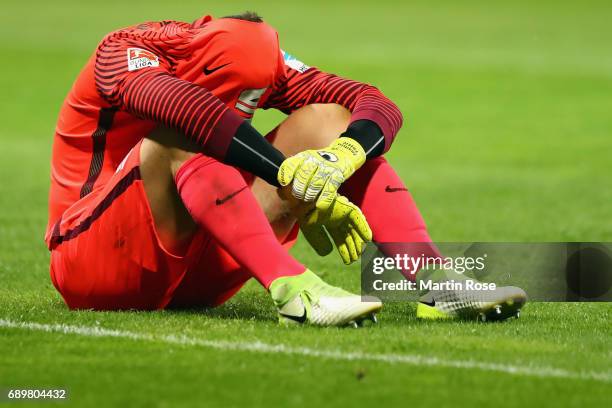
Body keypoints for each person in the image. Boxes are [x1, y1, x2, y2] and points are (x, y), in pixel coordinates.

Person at [46, 12, 525, 327]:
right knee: (179, 134)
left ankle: (435, 282)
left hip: (201, 263)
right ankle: (296, 292)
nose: (249, 107)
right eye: (242, 97)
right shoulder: (123, 52)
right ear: (204, 65)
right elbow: (189, 110)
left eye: (253, 99)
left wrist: (336, 164)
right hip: (93, 263)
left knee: (328, 122)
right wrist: (292, 179)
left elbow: (372, 102)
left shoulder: (259, 61)